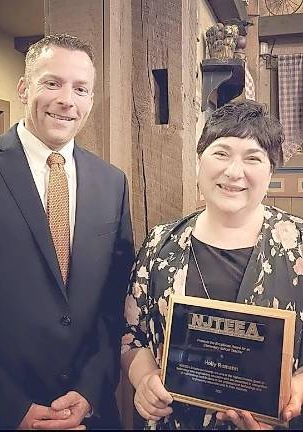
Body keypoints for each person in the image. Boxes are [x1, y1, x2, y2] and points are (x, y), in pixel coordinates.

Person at [0, 34, 134, 430]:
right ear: (24, 88)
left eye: (81, 88)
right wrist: (7, 407)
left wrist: (89, 390)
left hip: (90, 412)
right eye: (52, 83)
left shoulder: (112, 183)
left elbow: (114, 304)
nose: (67, 100)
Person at [121, 101, 303, 430]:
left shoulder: (298, 246)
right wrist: (144, 378)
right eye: (221, 153)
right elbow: (132, 334)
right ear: (200, 160)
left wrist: (296, 390)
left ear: (271, 170)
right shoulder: (161, 244)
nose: (234, 172)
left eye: (253, 158)